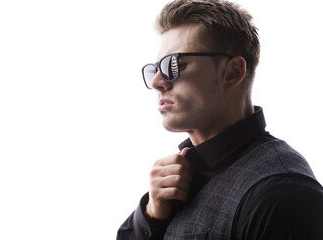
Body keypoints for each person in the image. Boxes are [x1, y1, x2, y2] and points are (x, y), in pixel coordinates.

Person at [117, 0, 323, 239]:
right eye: (156, 68)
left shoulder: (282, 195)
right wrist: (152, 216)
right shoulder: (180, 179)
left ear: (232, 72)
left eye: (175, 64)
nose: (156, 82)